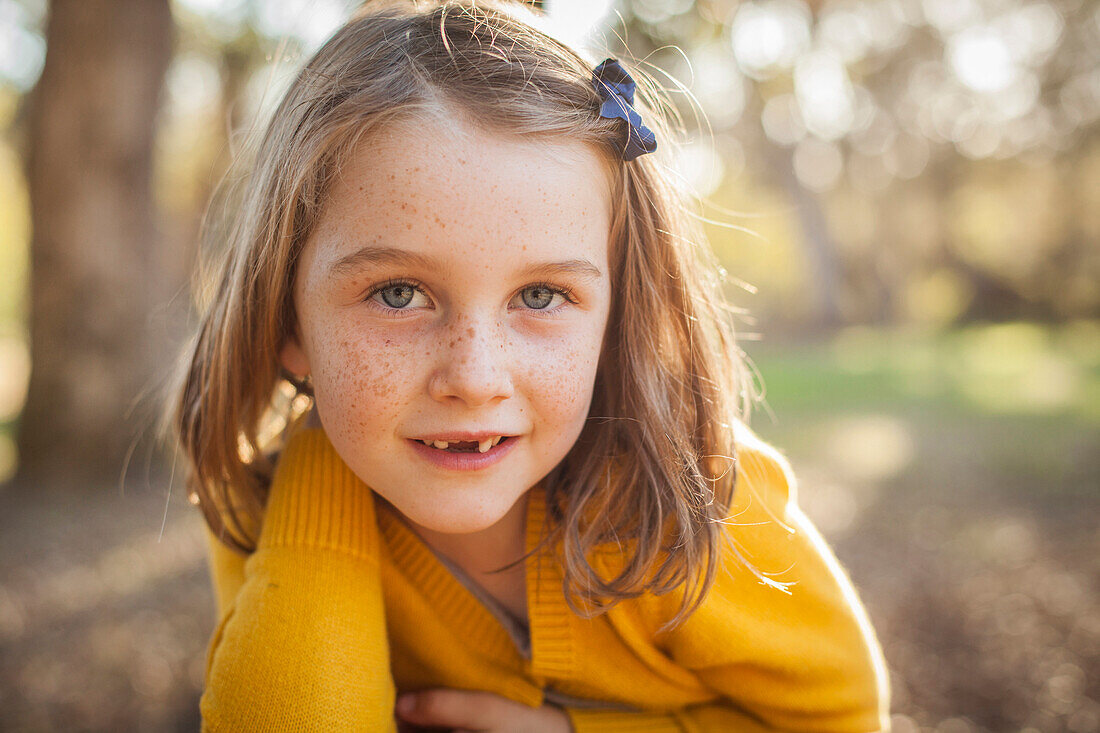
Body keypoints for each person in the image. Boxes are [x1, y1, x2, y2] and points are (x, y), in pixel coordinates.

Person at [164, 0, 891, 730]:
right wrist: (317, 461)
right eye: (398, 293)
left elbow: (845, 718)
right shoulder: (261, 505)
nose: (476, 377)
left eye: (540, 295)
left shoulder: (692, 493)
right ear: (284, 316)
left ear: (616, 316)